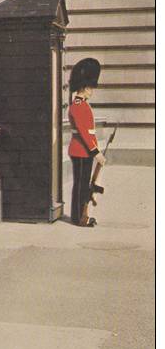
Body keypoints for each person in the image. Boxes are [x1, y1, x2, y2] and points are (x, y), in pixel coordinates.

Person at [68, 58, 106, 227]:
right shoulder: (78, 105)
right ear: (84, 87)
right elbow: (84, 132)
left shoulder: (81, 104)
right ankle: (78, 217)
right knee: (81, 185)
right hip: (81, 150)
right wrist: (96, 152)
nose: (92, 91)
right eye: (90, 87)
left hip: (83, 150)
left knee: (83, 184)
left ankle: (81, 215)